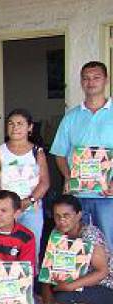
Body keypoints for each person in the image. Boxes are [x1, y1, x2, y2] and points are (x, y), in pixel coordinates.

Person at [51, 61, 113, 247]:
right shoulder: (71, 117)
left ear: (106, 80)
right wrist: (68, 177)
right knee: (77, 244)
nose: (90, 82)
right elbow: (59, 154)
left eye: (96, 77)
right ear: (81, 82)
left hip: (107, 194)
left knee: (108, 243)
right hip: (77, 195)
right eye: (86, 78)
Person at [43, 195, 113, 304]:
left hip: (105, 286)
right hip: (80, 282)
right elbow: (49, 265)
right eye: (57, 216)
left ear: (79, 215)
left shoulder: (90, 235)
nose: (62, 220)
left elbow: (102, 272)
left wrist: (71, 286)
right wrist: (46, 290)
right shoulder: (57, 232)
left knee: (61, 301)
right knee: (52, 293)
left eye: (66, 215)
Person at [0, 109, 50, 256]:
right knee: (5, 249)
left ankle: (30, 272)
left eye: (20, 124)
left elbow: (44, 182)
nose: (15, 127)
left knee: (31, 249)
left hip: (31, 209)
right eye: (11, 123)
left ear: (30, 127)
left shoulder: (37, 152)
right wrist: (7, 204)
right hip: (4, 210)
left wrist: (30, 200)